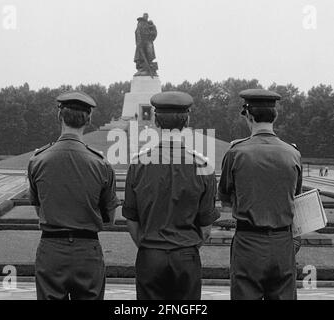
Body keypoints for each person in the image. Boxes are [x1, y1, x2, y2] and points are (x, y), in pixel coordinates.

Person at [123, 91, 219, 300]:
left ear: (155, 120)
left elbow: (131, 219)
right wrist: (186, 247)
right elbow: (206, 227)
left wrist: (149, 246)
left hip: (150, 253)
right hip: (185, 254)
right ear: (187, 120)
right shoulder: (203, 165)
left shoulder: (138, 163)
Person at [28, 91, 120, 300]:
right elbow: (111, 219)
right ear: (88, 119)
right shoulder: (101, 163)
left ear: (59, 116)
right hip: (87, 251)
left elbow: (39, 208)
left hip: (51, 250)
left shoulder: (37, 160)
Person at [218, 89, 302, 300]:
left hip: (248, 242)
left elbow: (226, 199)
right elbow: (297, 198)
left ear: (248, 115)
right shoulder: (293, 153)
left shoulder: (236, 152)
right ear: (275, 115)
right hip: (283, 241)